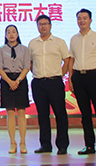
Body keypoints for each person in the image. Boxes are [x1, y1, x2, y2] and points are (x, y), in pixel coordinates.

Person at [68, 9, 96, 156]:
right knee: (85, 114)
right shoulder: (74, 39)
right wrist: (70, 79)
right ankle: (89, 146)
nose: (82, 21)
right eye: (79, 18)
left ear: (90, 20)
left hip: (95, 76)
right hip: (79, 77)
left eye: (85, 18)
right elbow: (71, 59)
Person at [28, 15, 70, 155]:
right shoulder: (33, 43)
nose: (43, 26)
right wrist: (36, 72)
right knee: (42, 115)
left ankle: (62, 145)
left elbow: (67, 60)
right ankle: (45, 144)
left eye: (45, 24)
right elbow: (30, 62)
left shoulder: (59, 42)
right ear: (37, 26)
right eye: (40, 24)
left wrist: (61, 74)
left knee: (60, 114)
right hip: (38, 83)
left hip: (55, 82)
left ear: (50, 25)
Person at [0, 24, 30, 154]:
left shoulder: (25, 49)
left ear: (17, 34)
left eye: (13, 32)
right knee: (10, 112)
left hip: (20, 80)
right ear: (5, 35)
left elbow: (27, 67)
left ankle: (23, 142)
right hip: (6, 80)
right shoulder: (1, 49)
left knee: (21, 112)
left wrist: (17, 81)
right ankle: (12, 142)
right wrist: (10, 82)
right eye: (8, 32)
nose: (11, 34)